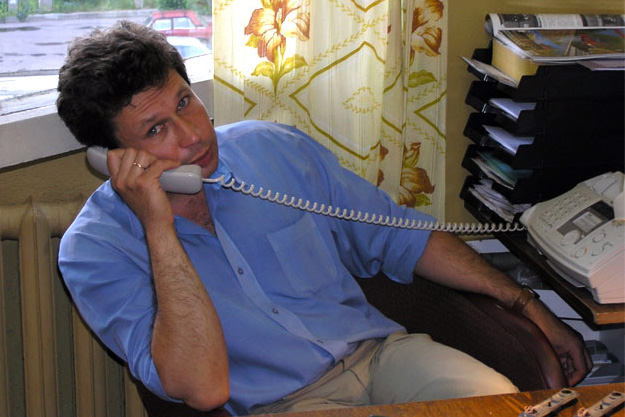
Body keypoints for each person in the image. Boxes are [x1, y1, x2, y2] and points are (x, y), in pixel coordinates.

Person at [56, 21, 591, 416]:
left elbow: (401, 237)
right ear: (112, 157)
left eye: (185, 102)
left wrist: (525, 304)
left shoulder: (274, 151)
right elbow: (202, 388)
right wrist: (158, 227)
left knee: (502, 406)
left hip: (382, 358)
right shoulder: (95, 250)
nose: (193, 134)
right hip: (281, 405)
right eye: (155, 130)